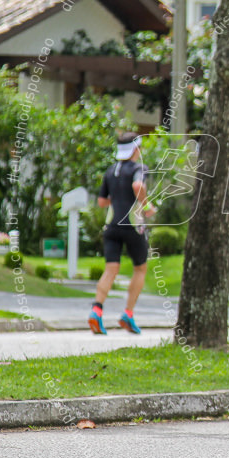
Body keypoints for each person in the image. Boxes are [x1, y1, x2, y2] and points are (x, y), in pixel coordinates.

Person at [88, 132, 156, 335]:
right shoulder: (138, 168)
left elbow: (101, 201)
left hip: (111, 226)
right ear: (136, 149)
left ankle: (96, 310)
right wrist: (147, 206)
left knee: (111, 269)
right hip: (132, 226)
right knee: (140, 268)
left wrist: (118, 199)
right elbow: (137, 185)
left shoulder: (110, 171)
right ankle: (128, 313)